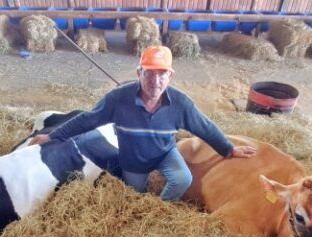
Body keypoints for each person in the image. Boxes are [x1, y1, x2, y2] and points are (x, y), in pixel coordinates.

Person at [31, 45, 256, 201]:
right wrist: (53, 136)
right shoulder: (118, 99)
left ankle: (161, 206)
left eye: (162, 74)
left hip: (165, 153)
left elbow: (205, 127)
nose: (155, 81)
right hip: (133, 161)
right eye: (149, 73)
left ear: (170, 76)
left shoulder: (181, 103)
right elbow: (88, 119)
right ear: (139, 73)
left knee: (183, 179)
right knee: (135, 195)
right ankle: (143, 200)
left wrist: (228, 149)